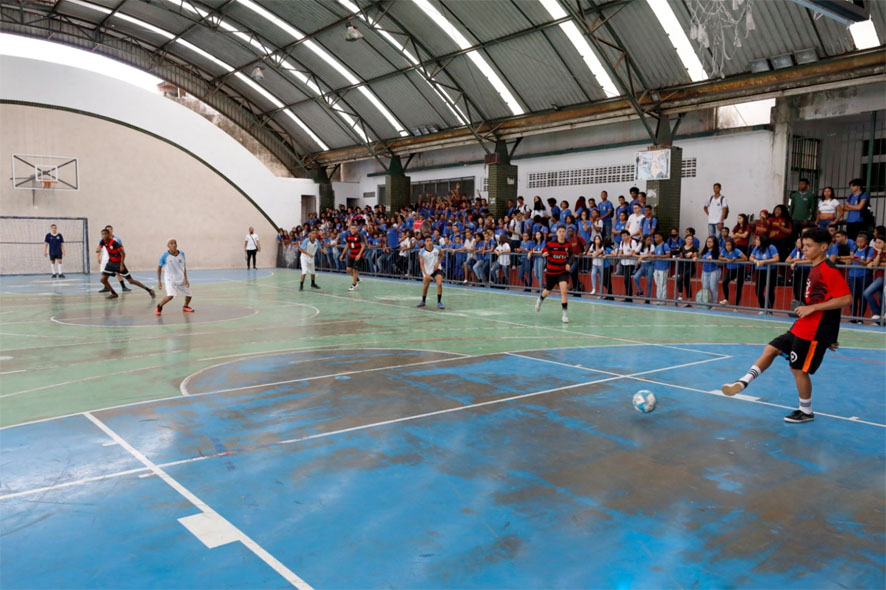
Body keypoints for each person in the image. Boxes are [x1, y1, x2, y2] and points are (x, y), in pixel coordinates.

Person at [721, 227, 851, 423]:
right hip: (803, 325)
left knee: (798, 370)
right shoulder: (814, 268)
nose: (804, 249)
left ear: (824, 247)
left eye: (809, 246)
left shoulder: (829, 270)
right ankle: (742, 382)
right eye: (803, 245)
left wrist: (819, 321)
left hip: (814, 330)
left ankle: (806, 412)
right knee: (771, 349)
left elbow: (846, 298)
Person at [98, 229, 154, 299]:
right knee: (103, 280)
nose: (104, 235)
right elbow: (99, 246)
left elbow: (123, 253)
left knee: (131, 281)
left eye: (105, 234)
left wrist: (121, 265)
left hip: (118, 264)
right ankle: (114, 293)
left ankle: (149, 290)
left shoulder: (114, 243)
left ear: (109, 235)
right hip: (110, 263)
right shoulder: (102, 241)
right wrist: (98, 249)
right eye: (102, 234)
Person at [535, 226, 572, 323]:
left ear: (565, 233)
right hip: (551, 272)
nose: (562, 233)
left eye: (563, 231)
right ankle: (540, 299)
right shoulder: (551, 243)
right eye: (560, 231)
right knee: (548, 290)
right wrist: (544, 254)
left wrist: (568, 263)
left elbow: (572, 255)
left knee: (564, 291)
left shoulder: (568, 245)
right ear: (557, 233)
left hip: (562, 272)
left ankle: (565, 314)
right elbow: (544, 250)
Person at [154, 239, 193, 314]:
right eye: (171, 243)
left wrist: (186, 279)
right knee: (170, 296)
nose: (174, 244)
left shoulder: (182, 253)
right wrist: (159, 281)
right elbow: (159, 268)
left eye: (175, 243)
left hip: (180, 278)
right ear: (168, 246)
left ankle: (186, 306)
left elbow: (184, 267)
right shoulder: (164, 256)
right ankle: (159, 306)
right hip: (170, 279)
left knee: (189, 295)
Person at [844, 233, 874, 322]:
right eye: (857, 242)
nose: (859, 243)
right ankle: (853, 317)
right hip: (852, 276)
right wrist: (849, 261)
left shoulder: (870, 250)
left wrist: (858, 260)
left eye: (861, 242)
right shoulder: (854, 249)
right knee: (853, 297)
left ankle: (860, 318)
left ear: (866, 242)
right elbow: (850, 259)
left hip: (864, 276)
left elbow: (867, 263)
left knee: (862, 297)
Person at [750, 234, 779, 313]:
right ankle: (763, 308)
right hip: (760, 271)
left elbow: (776, 258)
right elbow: (751, 257)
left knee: (770, 290)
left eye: (758, 240)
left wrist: (764, 261)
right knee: (758, 290)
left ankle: (769, 310)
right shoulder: (757, 247)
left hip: (770, 271)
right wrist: (755, 261)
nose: (756, 241)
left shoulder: (771, 247)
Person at [96, 225, 129, 292]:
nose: (109, 230)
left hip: (114, 258)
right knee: (103, 273)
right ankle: (106, 287)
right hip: (105, 258)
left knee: (117, 273)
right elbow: (100, 248)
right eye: (107, 229)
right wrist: (98, 257)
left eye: (110, 229)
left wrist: (122, 258)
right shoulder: (102, 239)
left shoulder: (116, 239)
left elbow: (122, 249)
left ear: (112, 230)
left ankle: (123, 287)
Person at [417, 236, 445, 309]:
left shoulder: (437, 248)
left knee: (439, 284)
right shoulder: (422, 252)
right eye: (427, 241)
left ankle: (439, 302)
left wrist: (437, 263)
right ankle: (423, 300)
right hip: (427, 271)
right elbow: (422, 265)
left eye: (430, 240)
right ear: (425, 243)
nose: (429, 242)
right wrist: (426, 275)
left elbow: (442, 256)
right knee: (426, 287)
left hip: (437, 269)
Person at [863, 236, 885, 322]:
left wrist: (876, 263)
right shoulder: (876, 251)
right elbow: (875, 265)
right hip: (877, 276)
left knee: (867, 292)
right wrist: (879, 254)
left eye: (880, 243)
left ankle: (877, 313)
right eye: (876, 242)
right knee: (881, 298)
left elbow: (875, 264)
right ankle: (880, 317)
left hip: (883, 277)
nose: (877, 244)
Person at [719, 238, 747, 306]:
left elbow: (745, 258)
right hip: (731, 270)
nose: (728, 246)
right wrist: (726, 259)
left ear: (732, 245)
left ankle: (736, 305)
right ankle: (726, 299)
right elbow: (719, 257)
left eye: (729, 245)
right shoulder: (724, 251)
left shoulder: (737, 251)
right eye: (726, 245)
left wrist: (734, 260)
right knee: (725, 282)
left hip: (740, 269)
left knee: (738, 287)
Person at [786, 237, 810, 306]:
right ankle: (799, 308)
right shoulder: (795, 250)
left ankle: (805, 306)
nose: (797, 244)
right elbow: (787, 260)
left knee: (800, 292)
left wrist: (800, 262)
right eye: (797, 242)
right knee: (796, 291)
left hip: (804, 272)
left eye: (799, 242)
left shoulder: (807, 250)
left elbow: (810, 260)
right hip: (795, 272)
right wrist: (794, 260)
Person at [341, 223, 365, 290]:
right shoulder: (348, 235)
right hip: (351, 254)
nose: (353, 229)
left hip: (358, 255)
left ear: (356, 229)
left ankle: (354, 284)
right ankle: (357, 279)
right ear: (350, 229)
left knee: (355, 270)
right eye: (352, 228)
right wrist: (342, 254)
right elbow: (347, 245)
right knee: (348, 270)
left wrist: (359, 254)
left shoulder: (359, 235)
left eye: (354, 228)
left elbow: (363, 246)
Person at [675, 234, 697, 304]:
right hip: (683, 267)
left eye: (691, 239)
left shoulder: (694, 248)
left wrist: (692, 254)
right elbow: (681, 256)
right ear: (685, 239)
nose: (690, 240)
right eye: (688, 239)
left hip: (690, 267)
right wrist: (679, 258)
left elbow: (696, 256)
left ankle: (680, 295)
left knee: (680, 279)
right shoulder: (682, 247)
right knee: (687, 283)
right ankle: (689, 301)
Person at [699, 236, 721, 305]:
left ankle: (714, 303)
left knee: (713, 287)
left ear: (714, 243)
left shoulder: (718, 251)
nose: (708, 243)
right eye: (707, 242)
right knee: (705, 287)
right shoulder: (705, 250)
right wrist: (697, 258)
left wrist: (713, 260)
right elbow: (700, 260)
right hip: (705, 271)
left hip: (714, 271)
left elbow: (721, 264)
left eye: (710, 242)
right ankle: (706, 302)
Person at [651, 232, 671, 303]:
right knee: (658, 283)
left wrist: (657, 256)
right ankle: (659, 299)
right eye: (655, 237)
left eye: (657, 237)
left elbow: (668, 255)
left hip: (663, 268)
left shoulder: (665, 245)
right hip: (656, 267)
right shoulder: (657, 246)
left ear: (661, 237)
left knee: (662, 283)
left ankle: (662, 299)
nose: (655, 239)